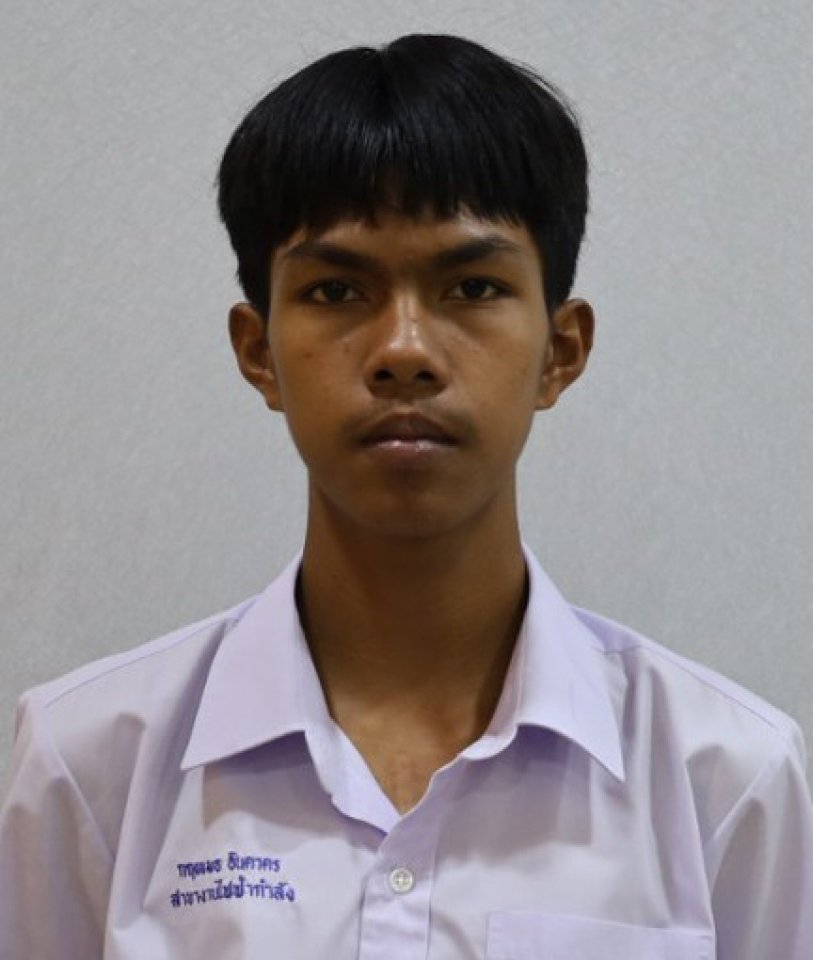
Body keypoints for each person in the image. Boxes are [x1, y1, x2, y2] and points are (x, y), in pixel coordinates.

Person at [1, 33, 810, 960]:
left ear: (560, 351)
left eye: (472, 285)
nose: (403, 350)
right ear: (258, 351)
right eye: (335, 290)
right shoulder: (88, 760)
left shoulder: (726, 777)